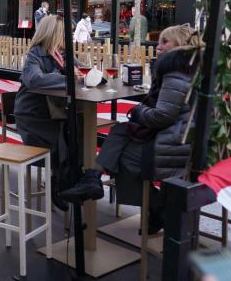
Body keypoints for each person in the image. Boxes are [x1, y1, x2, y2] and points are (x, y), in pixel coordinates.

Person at [60, 25, 200, 234]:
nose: (158, 46)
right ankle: (93, 177)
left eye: (164, 42)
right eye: (159, 41)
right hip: (180, 138)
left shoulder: (175, 71)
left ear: (180, 45)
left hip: (175, 146)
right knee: (120, 130)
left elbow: (162, 116)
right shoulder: (188, 68)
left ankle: (159, 206)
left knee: (122, 160)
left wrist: (138, 111)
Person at [13, 14, 84, 211]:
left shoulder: (64, 54)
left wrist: (84, 73)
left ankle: (71, 178)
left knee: (79, 131)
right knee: (64, 133)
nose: (69, 37)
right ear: (54, 34)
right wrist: (67, 78)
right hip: (33, 115)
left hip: (56, 112)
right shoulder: (36, 53)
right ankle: (60, 183)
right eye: (65, 33)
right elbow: (34, 80)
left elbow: (81, 72)